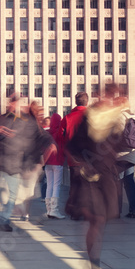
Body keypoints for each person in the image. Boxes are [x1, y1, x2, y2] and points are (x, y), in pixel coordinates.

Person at [66, 85, 128, 269]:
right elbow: (73, 145)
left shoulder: (116, 119)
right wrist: (84, 163)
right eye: (108, 95)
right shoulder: (88, 117)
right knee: (95, 220)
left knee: (101, 220)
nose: (110, 99)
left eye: (113, 96)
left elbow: (122, 144)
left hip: (106, 175)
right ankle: (95, 266)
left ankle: (93, 260)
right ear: (100, 96)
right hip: (89, 175)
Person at [0, 94, 52, 232]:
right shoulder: (0, 119)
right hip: (2, 162)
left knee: (12, 194)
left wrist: (49, 143)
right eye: (14, 103)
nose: (16, 106)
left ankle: (5, 219)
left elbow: (39, 136)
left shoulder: (25, 122)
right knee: (1, 190)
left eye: (18, 103)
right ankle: (10, 212)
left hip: (15, 163)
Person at [60, 92, 89, 220]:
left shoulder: (67, 118)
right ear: (86, 102)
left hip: (73, 158)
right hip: (90, 158)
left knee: (75, 185)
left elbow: (61, 137)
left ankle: (74, 212)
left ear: (76, 102)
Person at [117, 105, 135, 218]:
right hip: (132, 154)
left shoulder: (120, 117)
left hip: (121, 155)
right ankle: (133, 210)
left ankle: (116, 211)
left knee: (118, 182)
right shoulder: (134, 117)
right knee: (130, 182)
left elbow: (116, 136)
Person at [44, 111, 67, 219]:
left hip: (48, 162)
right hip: (58, 161)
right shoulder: (60, 132)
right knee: (56, 185)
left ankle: (48, 209)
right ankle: (54, 210)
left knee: (49, 184)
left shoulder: (47, 132)